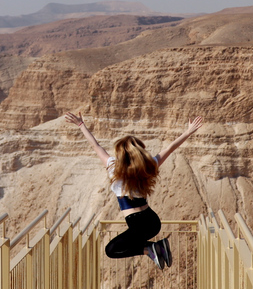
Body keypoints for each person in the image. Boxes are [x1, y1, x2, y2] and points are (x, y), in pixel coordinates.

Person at [64, 112, 204, 269]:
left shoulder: (113, 168)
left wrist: (81, 125)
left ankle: (153, 248)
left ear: (120, 153)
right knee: (116, 248)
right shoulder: (148, 166)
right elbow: (170, 148)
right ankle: (154, 248)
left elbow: (95, 145)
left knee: (111, 250)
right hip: (151, 221)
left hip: (138, 225)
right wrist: (188, 131)